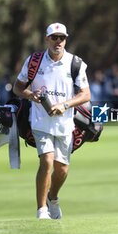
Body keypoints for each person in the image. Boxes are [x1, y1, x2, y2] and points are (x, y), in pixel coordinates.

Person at [13, 22, 90, 219]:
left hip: (65, 123)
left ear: (66, 40)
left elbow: (85, 94)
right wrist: (31, 95)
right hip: (39, 120)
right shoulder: (34, 61)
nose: (58, 41)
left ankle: (52, 197)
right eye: (54, 38)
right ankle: (41, 210)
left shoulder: (76, 63)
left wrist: (64, 105)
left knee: (62, 169)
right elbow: (18, 87)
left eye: (62, 38)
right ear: (47, 39)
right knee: (46, 161)